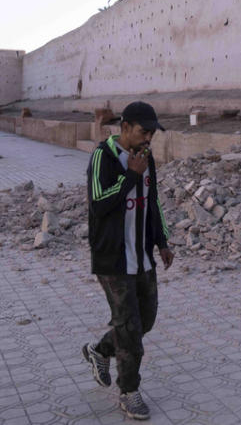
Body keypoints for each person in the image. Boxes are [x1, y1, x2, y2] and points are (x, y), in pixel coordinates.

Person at [81, 101, 174, 420]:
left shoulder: (146, 159)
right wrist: (129, 177)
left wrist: (162, 241)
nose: (149, 138)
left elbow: (153, 203)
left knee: (144, 320)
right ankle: (129, 391)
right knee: (131, 328)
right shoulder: (102, 157)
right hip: (113, 261)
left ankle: (100, 350)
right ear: (125, 127)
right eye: (143, 131)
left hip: (142, 258)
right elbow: (98, 204)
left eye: (152, 133)